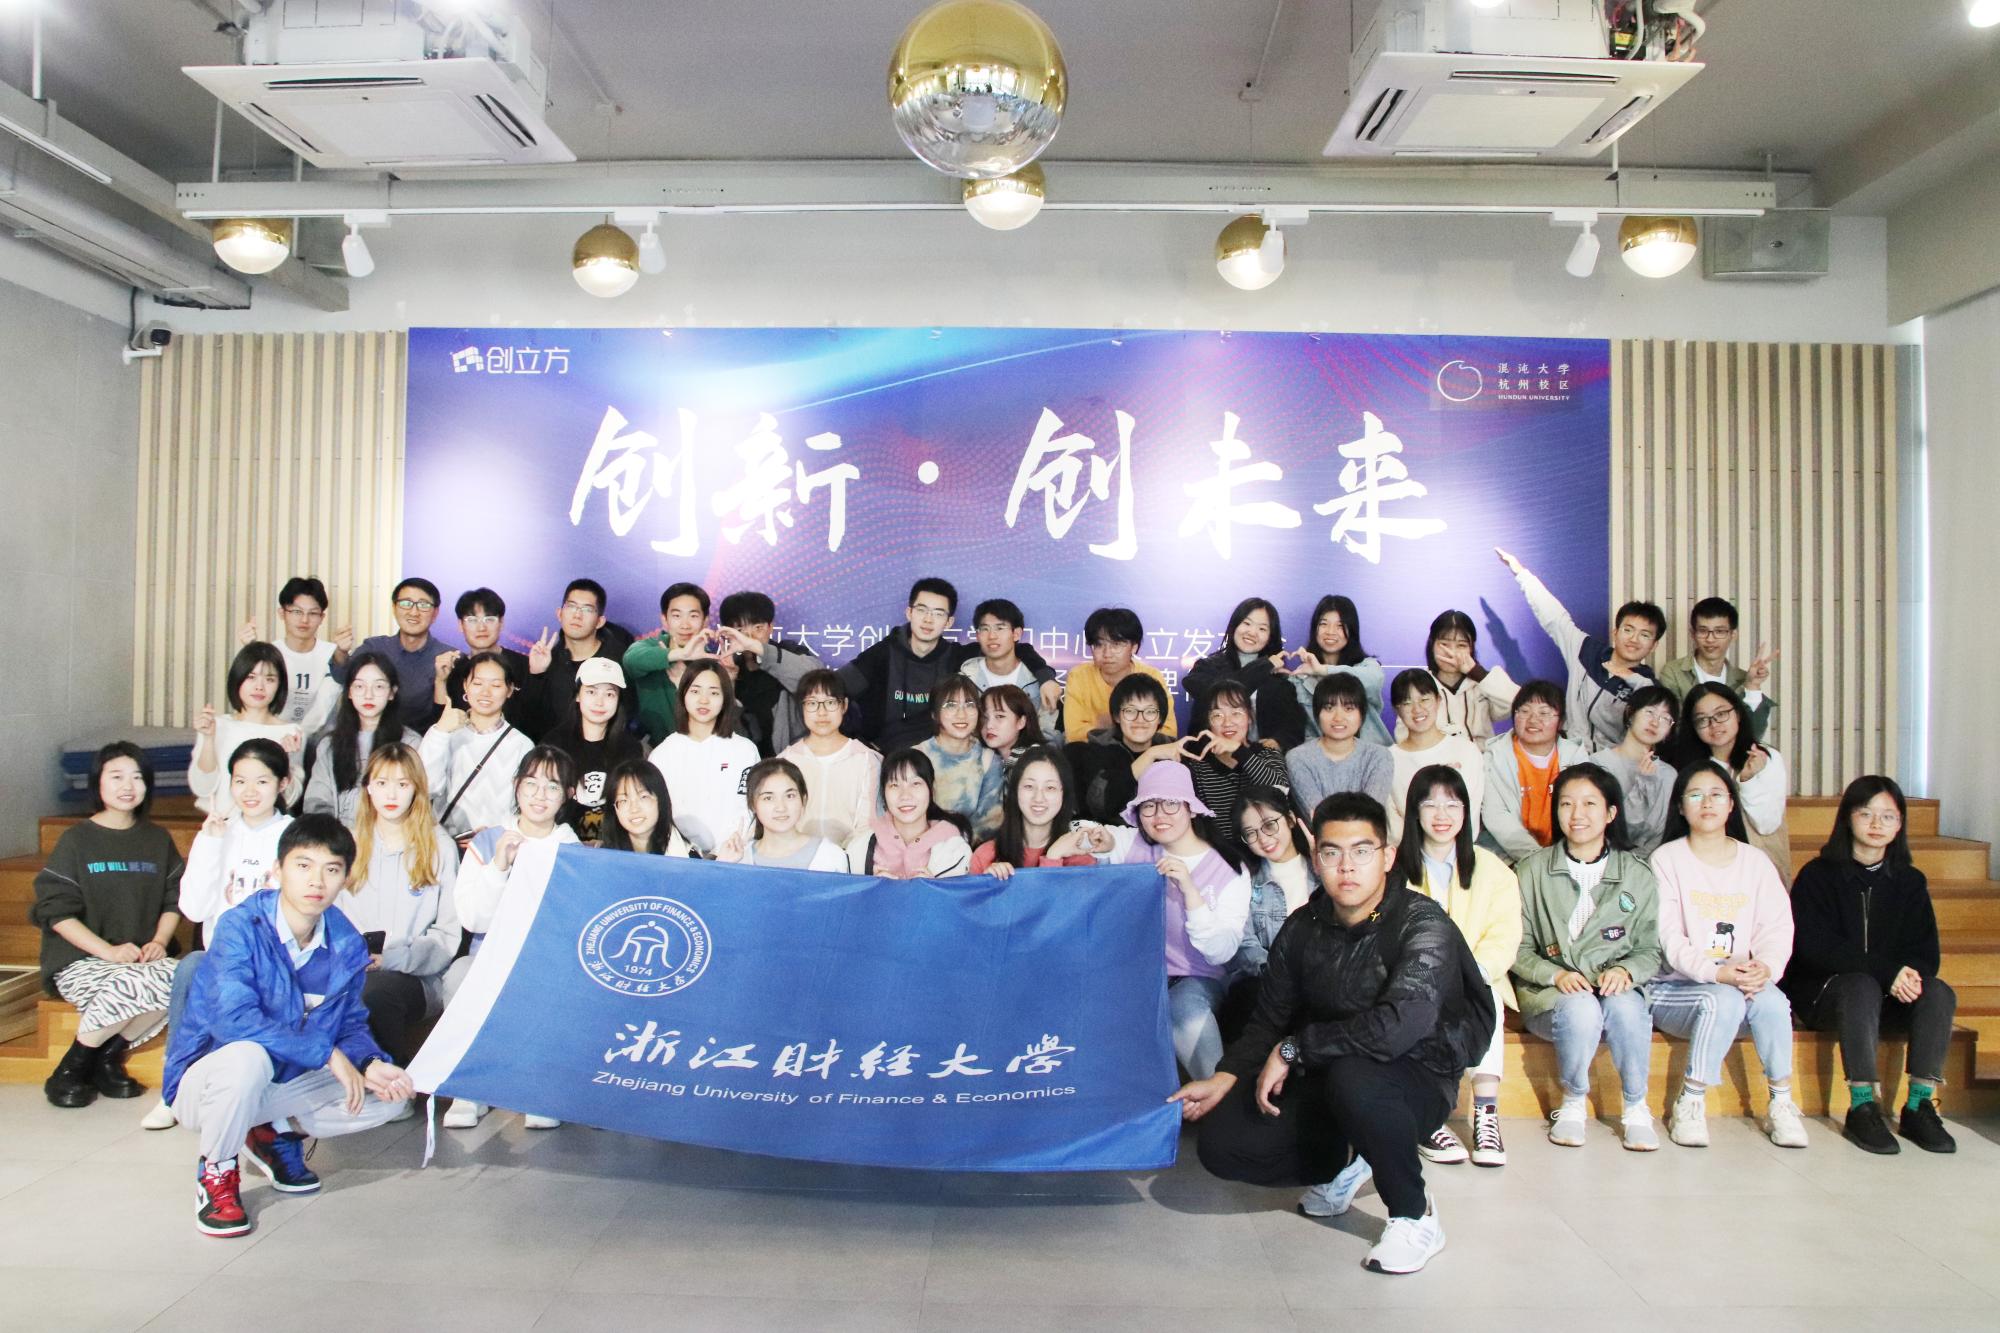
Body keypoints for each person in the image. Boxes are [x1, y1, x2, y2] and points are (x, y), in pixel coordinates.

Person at [1175, 791, 1496, 1276]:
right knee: (1223, 1141)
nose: (1347, 867)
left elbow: (1396, 1028)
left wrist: (1296, 1048)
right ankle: (1354, 1157)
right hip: (1332, 1066)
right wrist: (1224, 1077)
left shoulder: (1423, 924)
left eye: (1362, 851)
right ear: (1315, 856)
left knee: (1356, 1078)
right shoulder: (1304, 925)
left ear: (1387, 857)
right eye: (1332, 852)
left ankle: (1415, 1215)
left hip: (1419, 1072)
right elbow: (1269, 1017)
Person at [161, 815, 413, 1238]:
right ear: (278, 870)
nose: (317, 880)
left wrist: (370, 1063)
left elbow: (350, 1024)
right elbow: (233, 1020)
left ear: (346, 879)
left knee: (389, 1097)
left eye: (331, 869)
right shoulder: (240, 927)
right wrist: (326, 1053)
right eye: (303, 865)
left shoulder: (346, 942)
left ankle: (271, 1131)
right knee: (248, 1058)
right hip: (206, 1086)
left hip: (280, 1084)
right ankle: (217, 1171)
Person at [1782, 775, 1957, 1155]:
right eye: (1866, 814)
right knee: (1860, 985)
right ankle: (1862, 1105)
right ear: (1848, 818)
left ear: (1899, 824)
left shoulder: (1910, 881)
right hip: (1827, 996)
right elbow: (1813, 948)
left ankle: (1919, 1105)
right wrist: (1886, 973)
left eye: (1888, 816)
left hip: (1888, 998)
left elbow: (1926, 953)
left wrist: (1906, 976)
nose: (1877, 824)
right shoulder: (1818, 875)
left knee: (1938, 991)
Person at [1645, 762, 1806, 1150]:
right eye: (1695, 795)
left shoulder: (1755, 862)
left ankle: (1781, 1103)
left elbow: (1776, 927)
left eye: (1717, 794)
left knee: (1773, 1002)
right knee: (1723, 998)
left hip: (1738, 983)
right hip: (1675, 989)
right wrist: (1718, 974)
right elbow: (1668, 937)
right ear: (1680, 806)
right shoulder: (1666, 859)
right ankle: (1691, 1101)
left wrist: (1764, 967)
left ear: (1732, 805)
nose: (1707, 803)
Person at [1511, 764, 1663, 1151]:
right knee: (1581, 1007)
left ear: (1611, 813)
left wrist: (1627, 970)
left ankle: (1636, 1106)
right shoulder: (1530, 872)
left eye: (1589, 804)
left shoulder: (1637, 874)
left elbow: (1650, 949)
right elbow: (1516, 948)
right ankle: (1573, 1102)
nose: (1577, 814)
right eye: (1567, 804)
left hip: (1614, 991)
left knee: (1626, 1007)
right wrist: (1554, 975)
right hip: (1552, 997)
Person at [33, 742, 184, 1109]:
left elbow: (174, 899)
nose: (127, 786)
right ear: (97, 783)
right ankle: (69, 1069)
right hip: (80, 960)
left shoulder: (157, 839)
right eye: (116, 777)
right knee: (130, 982)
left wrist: (160, 940)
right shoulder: (76, 840)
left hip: (139, 959)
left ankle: (104, 1059)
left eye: (137, 777)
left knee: (184, 977)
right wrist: (108, 952)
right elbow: (55, 912)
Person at [155, 738, 296, 1130]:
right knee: (190, 967)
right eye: (240, 781)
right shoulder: (218, 833)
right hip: (221, 958)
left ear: (283, 784)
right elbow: (194, 910)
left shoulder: (294, 836)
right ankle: (173, 1091)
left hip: (276, 959)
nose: (250, 792)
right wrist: (210, 845)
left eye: (262, 781)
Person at [442, 747, 581, 1130]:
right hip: (489, 956)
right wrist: (499, 866)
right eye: (531, 784)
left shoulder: (573, 851)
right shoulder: (488, 842)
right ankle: (468, 1087)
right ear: (517, 786)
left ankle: (537, 1089)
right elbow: (473, 918)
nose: (540, 795)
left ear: (568, 795)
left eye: (552, 786)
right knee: (460, 975)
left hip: (545, 960)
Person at [1397, 765, 1521, 1168]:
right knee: (1413, 1009)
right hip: (1412, 982)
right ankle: (1429, 1118)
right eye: (1430, 804)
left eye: (1452, 804)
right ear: (1414, 811)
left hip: (1477, 978)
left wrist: (1470, 976)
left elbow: (1504, 936)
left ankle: (1486, 1114)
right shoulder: (1393, 870)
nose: (1442, 814)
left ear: (1467, 811)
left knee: (1487, 1001)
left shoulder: (1493, 869)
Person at [1117, 763, 1250, 1081]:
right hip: (1135, 978)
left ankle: (1217, 1096)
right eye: (1149, 806)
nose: (1159, 815)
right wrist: (1080, 842)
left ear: (1191, 809)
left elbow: (1221, 952)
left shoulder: (1229, 868)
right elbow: (1085, 839)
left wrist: (1190, 892)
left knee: (1185, 1010)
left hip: (1195, 979)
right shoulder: (1131, 846)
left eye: (1171, 803)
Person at [339, 743, 461, 1068]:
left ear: (416, 789)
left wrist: (395, 958)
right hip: (353, 968)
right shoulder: (348, 844)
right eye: (382, 783)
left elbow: (447, 934)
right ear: (368, 788)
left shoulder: (439, 847)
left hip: (417, 976)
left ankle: (393, 1078)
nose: (391, 794)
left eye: (402, 784)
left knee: (376, 993)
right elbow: (330, 917)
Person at [1495, 547, 1664, 750]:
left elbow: (1649, 735)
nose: (1634, 639)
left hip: (1610, 764)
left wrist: (1631, 678)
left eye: (1644, 635)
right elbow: (1555, 618)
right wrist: (1522, 574)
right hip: (1567, 754)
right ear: (1615, 632)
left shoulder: (1648, 688)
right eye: (1628, 630)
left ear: (1654, 645)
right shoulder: (1586, 652)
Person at [1218, 786, 1313, 1045]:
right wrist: (1278, 974)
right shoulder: (1245, 882)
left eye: (1269, 825)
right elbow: (1245, 944)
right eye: (1251, 833)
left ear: (1290, 819)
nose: (1263, 839)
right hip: (1269, 982)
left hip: (1322, 978)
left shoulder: (1321, 870)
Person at [647, 659, 761, 856]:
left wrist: (726, 852)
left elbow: (752, 808)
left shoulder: (745, 750)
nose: (704, 700)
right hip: (678, 860)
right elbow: (656, 814)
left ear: (725, 698)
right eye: (695, 691)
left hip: (735, 857)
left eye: (713, 693)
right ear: (682, 694)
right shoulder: (663, 754)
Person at [1680, 682, 1793, 882]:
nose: (1714, 724)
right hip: (1706, 869)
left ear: (1738, 714)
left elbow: (1766, 825)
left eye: (1721, 714)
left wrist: (1748, 781)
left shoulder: (1765, 758)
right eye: (1702, 719)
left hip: (1759, 871)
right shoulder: (1692, 769)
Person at [419, 650, 534, 845]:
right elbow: (425, 787)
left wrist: (492, 837)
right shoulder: (445, 733)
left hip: (494, 848)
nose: (485, 692)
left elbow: (525, 807)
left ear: (509, 690)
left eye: (496, 685)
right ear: (466, 685)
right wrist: (440, 732)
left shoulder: (522, 745)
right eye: (478, 683)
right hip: (444, 846)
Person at [303, 651, 421, 827]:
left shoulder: (410, 744)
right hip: (338, 838)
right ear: (349, 692)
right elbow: (316, 802)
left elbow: (418, 804)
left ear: (392, 692)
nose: (368, 695)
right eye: (359, 686)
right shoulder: (329, 745)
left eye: (378, 686)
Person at [188, 642, 305, 819]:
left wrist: (286, 759)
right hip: (221, 824)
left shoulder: (291, 732)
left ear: (280, 685)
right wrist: (209, 739)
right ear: (238, 679)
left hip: (268, 827)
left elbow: (290, 799)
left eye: (270, 679)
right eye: (251, 677)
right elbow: (202, 788)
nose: (259, 686)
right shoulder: (216, 725)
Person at [1179, 679, 1290, 859]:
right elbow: (1199, 825)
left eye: (1236, 713)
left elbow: (1280, 789)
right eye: (1217, 715)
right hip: (1223, 859)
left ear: (1250, 717)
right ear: (1208, 722)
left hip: (1270, 851)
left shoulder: (1267, 754)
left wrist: (1239, 751)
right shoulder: (1198, 767)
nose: (1228, 722)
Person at [1478, 680, 1587, 864]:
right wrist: (1537, 859)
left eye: (1544, 713)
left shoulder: (1576, 757)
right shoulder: (1493, 757)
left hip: (1568, 855)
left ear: (1561, 721)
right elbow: (1496, 815)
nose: (1533, 720)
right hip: (1508, 855)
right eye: (1524, 711)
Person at [969, 746, 1115, 876]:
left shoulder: (1079, 858)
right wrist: (988, 887)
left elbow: (1061, 900)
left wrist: (1053, 857)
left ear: (1064, 794)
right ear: (1015, 791)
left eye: (1050, 788)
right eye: (1029, 786)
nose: (1038, 798)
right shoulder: (985, 856)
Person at [1182, 597, 1306, 751]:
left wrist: (1278, 742)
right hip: (1210, 757)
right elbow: (1208, 689)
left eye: (1262, 629)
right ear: (1235, 626)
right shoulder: (1208, 666)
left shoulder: (1278, 678)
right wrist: (1264, 666)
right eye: (1247, 623)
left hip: (1260, 759)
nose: (1252, 632)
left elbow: (1293, 728)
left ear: (1270, 637)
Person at [544, 657, 646, 844]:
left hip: (613, 847)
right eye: (591, 692)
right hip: (559, 844)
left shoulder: (630, 749)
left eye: (609, 694)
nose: (600, 702)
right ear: (577, 695)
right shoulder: (554, 745)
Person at [777, 669, 882, 846]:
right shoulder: (786, 761)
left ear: (844, 705)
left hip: (850, 857)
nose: (822, 712)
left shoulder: (867, 760)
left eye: (830, 702)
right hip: (796, 856)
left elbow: (869, 823)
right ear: (801, 708)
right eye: (812, 703)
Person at [715, 590, 822, 757]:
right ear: (728, 633)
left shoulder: (790, 652)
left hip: (793, 760)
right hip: (746, 761)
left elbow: (819, 681)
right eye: (740, 629)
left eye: (758, 628)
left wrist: (759, 649)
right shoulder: (728, 666)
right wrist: (729, 681)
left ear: (770, 627)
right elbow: (723, 725)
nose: (749, 637)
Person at [1656, 596, 1776, 741]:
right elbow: (1672, 726)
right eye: (1703, 631)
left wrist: (1752, 686)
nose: (1710, 639)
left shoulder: (1743, 678)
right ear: (1693, 634)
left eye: (1719, 631)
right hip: (1689, 753)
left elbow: (1754, 734)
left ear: (1733, 635)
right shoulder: (1674, 672)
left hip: (1734, 755)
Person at [528, 577, 636, 737]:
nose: (577, 615)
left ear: (600, 621)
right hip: (556, 748)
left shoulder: (619, 659)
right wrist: (536, 674)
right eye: (571, 606)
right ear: (559, 613)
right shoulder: (547, 660)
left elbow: (631, 712)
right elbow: (528, 719)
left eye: (587, 609)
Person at [1385, 670, 1483, 846]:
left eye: (1424, 699)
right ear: (1396, 709)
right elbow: (1394, 826)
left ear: (1438, 700)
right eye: (1407, 703)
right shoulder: (1388, 759)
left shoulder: (1466, 751)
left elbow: (1471, 813)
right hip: (1408, 855)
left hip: (1460, 853)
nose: (1417, 709)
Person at [1064, 673, 1173, 826]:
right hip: (1107, 836)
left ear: (1160, 718)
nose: (1140, 719)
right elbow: (1101, 805)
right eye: (1130, 711)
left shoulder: (1171, 752)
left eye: (1150, 712)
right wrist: (1149, 755)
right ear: (1116, 716)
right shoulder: (1097, 751)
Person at [845, 749, 973, 878]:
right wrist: (873, 886)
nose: (905, 795)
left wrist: (931, 887)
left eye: (915, 783)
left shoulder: (953, 849)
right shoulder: (861, 848)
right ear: (883, 793)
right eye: (894, 785)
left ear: (931, 789)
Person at [249, 576, 350, 736]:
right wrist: (250, 650)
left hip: (320, 740)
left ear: (322, 618)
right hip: (272, 735)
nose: (304, 620)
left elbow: (331, 701)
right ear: (282, 613)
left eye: (313, 613)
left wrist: (342, 654)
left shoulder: (333, 653)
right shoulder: (269, 653)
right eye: (297, 611)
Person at [350, 577, 452, 734]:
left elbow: (449, 717)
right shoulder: (374, 648)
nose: (414, 612)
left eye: (424, 605)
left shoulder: (448, 657)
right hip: (375, 738)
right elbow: (342, 677)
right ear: (394, 607)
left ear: (435, 613)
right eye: (406, 603)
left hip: (426, 741)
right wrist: (340, 653)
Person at [1284, 672, 1393, 818]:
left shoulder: (1379, 756)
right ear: (1317, 713)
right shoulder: (1298, 758)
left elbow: (1371, 817)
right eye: (1329, 708)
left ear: (1362, 714)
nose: (1338, 718)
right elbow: (1318, 818)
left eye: (1348, 708)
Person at [1588, 685, 1679, 859]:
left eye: (1665, 718)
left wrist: (1641, 867)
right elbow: (1613, 830)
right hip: (1603, 860)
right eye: (1649, 712)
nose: (1655, 722)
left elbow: (1660, 834)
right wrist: (1644, 784)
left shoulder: (1669, 775)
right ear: (1630, 713)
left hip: (1650, 864)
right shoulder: (1598, 764)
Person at [1287, 594, 1390, 746]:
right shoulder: (1300, 678)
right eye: (1324, 624)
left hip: (1373, 753)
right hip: (1324, 757)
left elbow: (1374, 680)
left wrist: (1323, 670)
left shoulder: (1367, 666)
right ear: (1315, 628)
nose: (1330, 631)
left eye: (1340, 626)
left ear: (1352, 630)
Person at [1063, 606, 1177, 742]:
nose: (1107, 653)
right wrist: (1133, 729)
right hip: (1093, 752)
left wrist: (1106, 727)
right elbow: (1074, 734)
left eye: (1116, 644)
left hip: (1143, 751)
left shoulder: (1151, 676)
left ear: (1134, 647)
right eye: (1099, 645)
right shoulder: (1079, 676)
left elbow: (1168, 732)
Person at [715, 758, 852, 870]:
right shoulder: (739, 859)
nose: (781, 807)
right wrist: (721, 868)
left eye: (790, 796)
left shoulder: (830, 856)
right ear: (752, 805)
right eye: (768, 798)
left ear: (803, 800)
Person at [434, 588, 537, 737]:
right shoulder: (453, 669)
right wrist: (440, 681)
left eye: (489, 619)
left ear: (501, 623)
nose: (481, 627)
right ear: (460, 625)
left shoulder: (525, 666)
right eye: (472, 620)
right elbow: (440, 725)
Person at [1404, 609, 1518, 743]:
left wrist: (1477, 672)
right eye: (1444, 644)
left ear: (1471, 648)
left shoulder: (1483, 684)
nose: (1452, 652)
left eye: (1461, 645)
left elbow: (1518, 705)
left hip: (1481, 755)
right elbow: (1405, 738)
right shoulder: (1417, 686)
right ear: (1432, 645)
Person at [917, 675, 1005, 843]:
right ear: (934, 714)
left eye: (970, 705)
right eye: (951, 705)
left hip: (969, 852)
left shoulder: (988, 760)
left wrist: (955, 850)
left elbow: (989, 823)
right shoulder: (917, 756)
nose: (961, 714)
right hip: (919, 849)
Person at [621, 581, 707, 747]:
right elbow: (630, 660)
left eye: (693, 616)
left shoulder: (711, 660)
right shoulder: (650, 646)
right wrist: (678, 654)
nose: (685, 625)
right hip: (655, 747)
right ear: (664, 620)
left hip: (701, 747)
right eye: (677, 616)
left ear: (705, 621)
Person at [961, 598, 1060, 739]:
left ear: (1016, 634)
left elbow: (1048, 734)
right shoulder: (964, 679)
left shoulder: (1038, 682)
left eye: (1000, 628)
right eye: (985, 629)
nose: (992, 636)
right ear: (977, 635)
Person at [601, 760, 694, 858]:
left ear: (661, 800)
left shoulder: (689, 859)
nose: (634, 809)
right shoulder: (602, 859)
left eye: (643, 797)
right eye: (623, 800)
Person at [978, 683, 1045, 767]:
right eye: (984, 717)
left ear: (1021, 722)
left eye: (1000, 716)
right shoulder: (986, 757)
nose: (989, 725)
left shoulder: (1035, 760)